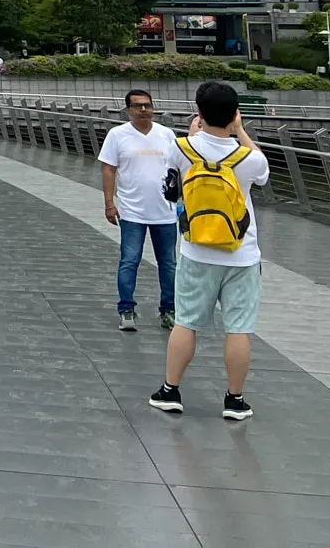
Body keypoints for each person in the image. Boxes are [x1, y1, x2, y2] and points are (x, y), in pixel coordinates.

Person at [150, 81, 269, 422]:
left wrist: (194, 133)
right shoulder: (249, 159)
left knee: (186, 323)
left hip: (196, 251)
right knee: (239, 329)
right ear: (234, 114)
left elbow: (171, 191)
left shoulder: (180, 148)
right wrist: (241, 131)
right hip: (242, 254)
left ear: (199, 114)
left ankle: (170, 391)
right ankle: (235, 400)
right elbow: (262, 172)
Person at [98, 89, 179, 333]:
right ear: (128, 110)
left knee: (169, 264)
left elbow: (179, 169)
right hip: (132, 212)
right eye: (137, 106)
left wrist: (183, 201)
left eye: (147, 105)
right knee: (129, 260)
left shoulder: (167, 135)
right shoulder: (117, 135)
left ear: (153, 107)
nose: (143, 110)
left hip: (165, 212)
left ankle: (169, 310)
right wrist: (109, 203)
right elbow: (109, 169)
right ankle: (126, 309)